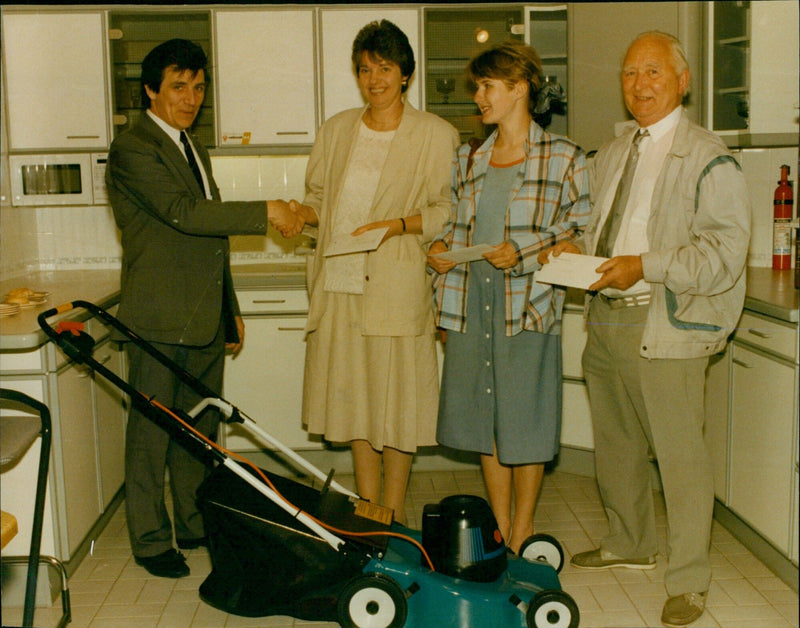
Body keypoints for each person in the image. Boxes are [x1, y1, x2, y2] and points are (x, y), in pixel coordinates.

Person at [539, 31, 750, 627]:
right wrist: (572, 247)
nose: (640, 85)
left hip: (666, 323)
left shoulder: (710, 156)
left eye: (654, 72)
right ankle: (629, 542)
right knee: (619, 447)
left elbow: (723, 253)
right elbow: (600, 227)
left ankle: (688, 580)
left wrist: (644, 266)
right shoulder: (614, 150)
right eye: (631, 73)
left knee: (681, 459)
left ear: (682, 81)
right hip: (604, 317)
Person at [106, 38, 299, 579]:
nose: (190, 98)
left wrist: (228, 306)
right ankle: (149, 540)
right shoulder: (134, 147)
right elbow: (184, 212)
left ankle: (192, 523)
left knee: (199, 431)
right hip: (159, 317)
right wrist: (268, 209)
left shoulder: (193, 146)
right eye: (178, 86)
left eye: (198, 86)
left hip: (202, 316)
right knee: (151, 435)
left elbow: (211, 236)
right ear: (150, 90)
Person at [284, 21, 459, 524]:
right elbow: (319, 200)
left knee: (398, 406)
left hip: (398, 286)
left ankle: (394, 510)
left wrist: (399, 225)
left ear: (405, 74)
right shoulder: (337, 130)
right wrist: (301, 214)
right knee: (358, 404)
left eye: (384, 68)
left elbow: (449, 209)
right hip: (339, 285)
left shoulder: (434, 134)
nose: (374, 79)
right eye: (365, 69)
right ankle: (368, 512)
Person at [427, 41, 590, 554]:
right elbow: (456, 225)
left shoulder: (564, 157)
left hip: (529, 305)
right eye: (478, 86)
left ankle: (523, 530)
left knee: (524, 419)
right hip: (471, 304)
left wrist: (522, 250)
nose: (478, 96)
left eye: (486, 86)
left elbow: (580, 233)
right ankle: (497, 531)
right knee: (486, 420)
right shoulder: (468, 156)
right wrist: (440, 250)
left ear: (519, 88)